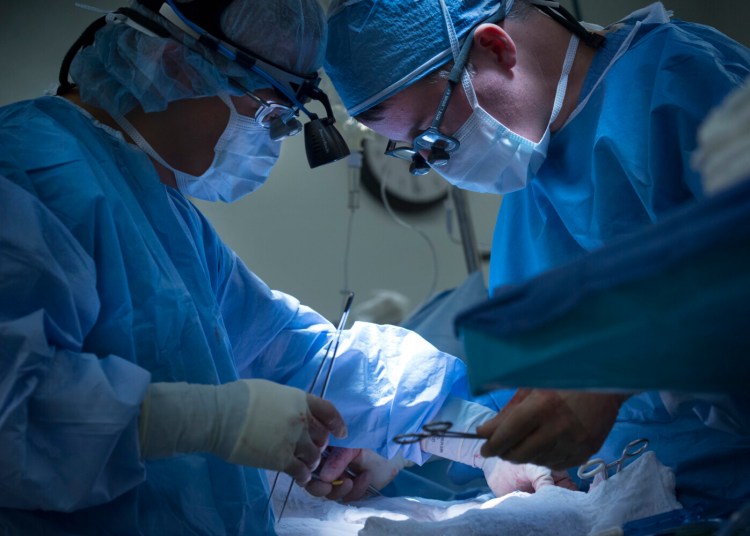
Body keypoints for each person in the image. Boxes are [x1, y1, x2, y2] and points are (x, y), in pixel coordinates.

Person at [0, 1, 573, 534]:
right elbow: (13, 416)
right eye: (269, 110)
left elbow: (290, 350)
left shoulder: (157, 208)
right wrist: (208, 420)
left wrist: (474, 435)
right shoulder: (24, 171)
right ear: (176, 65)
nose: (268, 139)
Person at [325, 0, 750, 517]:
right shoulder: (534, 177)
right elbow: (528, 393)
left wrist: (611, 375)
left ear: (496, 48)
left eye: (431, 136)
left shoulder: (685, 85)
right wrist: (409, 442)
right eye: (413, 152)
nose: (435, 164)